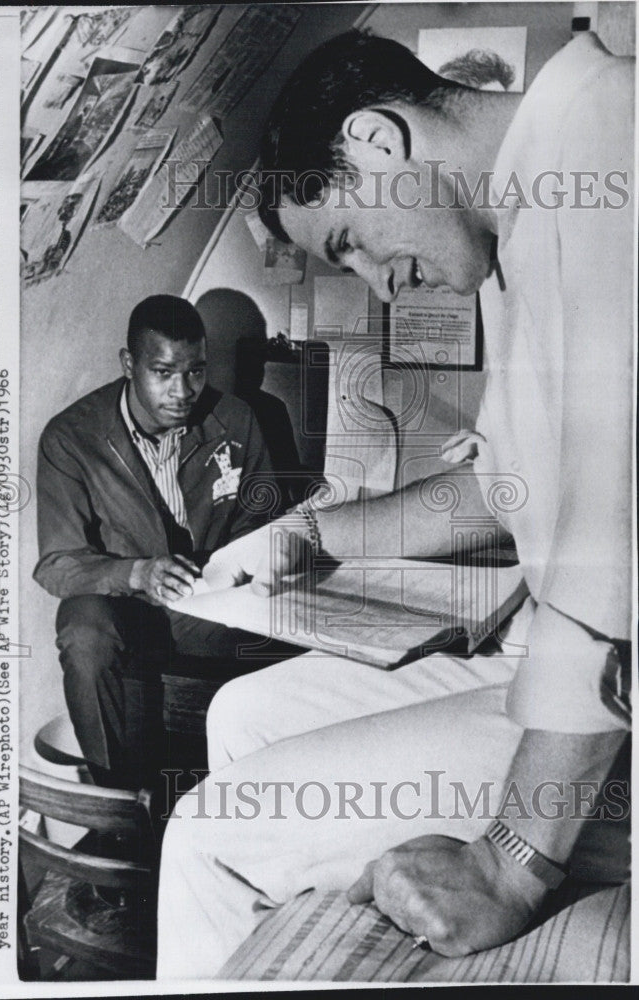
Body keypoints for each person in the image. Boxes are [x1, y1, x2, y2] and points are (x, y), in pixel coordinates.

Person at [157, 29, 633, 977]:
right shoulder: (518, 212)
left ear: (378, 141)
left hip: (613, 693)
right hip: (553, 647)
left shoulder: (608, 156)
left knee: (205, 836)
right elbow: (504, 483)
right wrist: (305, 534)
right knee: (242, 717)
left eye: (351, 243)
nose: (380, 283)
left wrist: (512, 867)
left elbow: (609, 547)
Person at [34, 294, 297, 796]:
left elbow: (267, 522)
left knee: (306, 638)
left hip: (213, 602)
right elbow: (57, 565)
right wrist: (136, 573)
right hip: (126, 606)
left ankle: (260, 804)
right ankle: (121, 807)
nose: (183, 391)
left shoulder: (236, 421)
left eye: (196, 372)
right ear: (129, 365)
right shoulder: (72, 438)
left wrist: (263, 559)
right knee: (82, 631)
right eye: (163, 372)